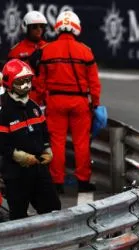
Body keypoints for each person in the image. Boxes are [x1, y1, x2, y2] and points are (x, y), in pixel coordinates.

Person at [36, 10, 101, 194]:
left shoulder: (46, 50)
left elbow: (39, 82)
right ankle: (83, 181)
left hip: (55, 101)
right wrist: (95, 103)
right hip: (79, 102)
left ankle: (57, 182)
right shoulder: (85, 51)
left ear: (57, 27)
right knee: (81, 142)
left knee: (57, 142)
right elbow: (94, 83)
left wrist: (41, 101)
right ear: (77, 27)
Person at [0, 59, 61, 220]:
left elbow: (44, 132)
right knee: (18, 215)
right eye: (21, 82)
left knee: (53, 208)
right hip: (15, 173)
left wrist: (47, 149)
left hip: (38, 168)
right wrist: (17, 155)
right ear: (9, 83)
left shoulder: (33, 107)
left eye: (28, 81)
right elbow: (2, 143)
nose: (26, 85)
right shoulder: (4, 111)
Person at [7, 11, 48, 105]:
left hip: (47, 97)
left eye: (41, 26)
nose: (39, 30)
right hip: (26, 95)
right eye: (34, 27)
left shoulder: (50, 48)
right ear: (26, 28)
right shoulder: (16, 51)